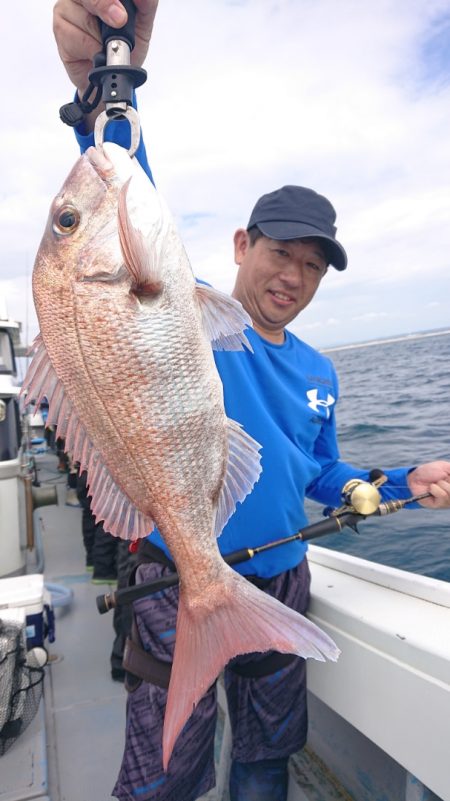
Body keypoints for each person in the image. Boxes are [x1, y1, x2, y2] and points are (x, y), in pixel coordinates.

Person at [52, 3, 450, 800]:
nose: (292, 276)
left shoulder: (319, 369)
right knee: (166, 778)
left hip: (281, 578)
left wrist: (404, 481)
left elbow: (319, 471)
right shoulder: (185, 319)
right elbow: (122, 203)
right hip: (178, 579)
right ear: (241, 245)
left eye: (312, 265)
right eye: (279, 252)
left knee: (266, 762)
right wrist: (104, 82)